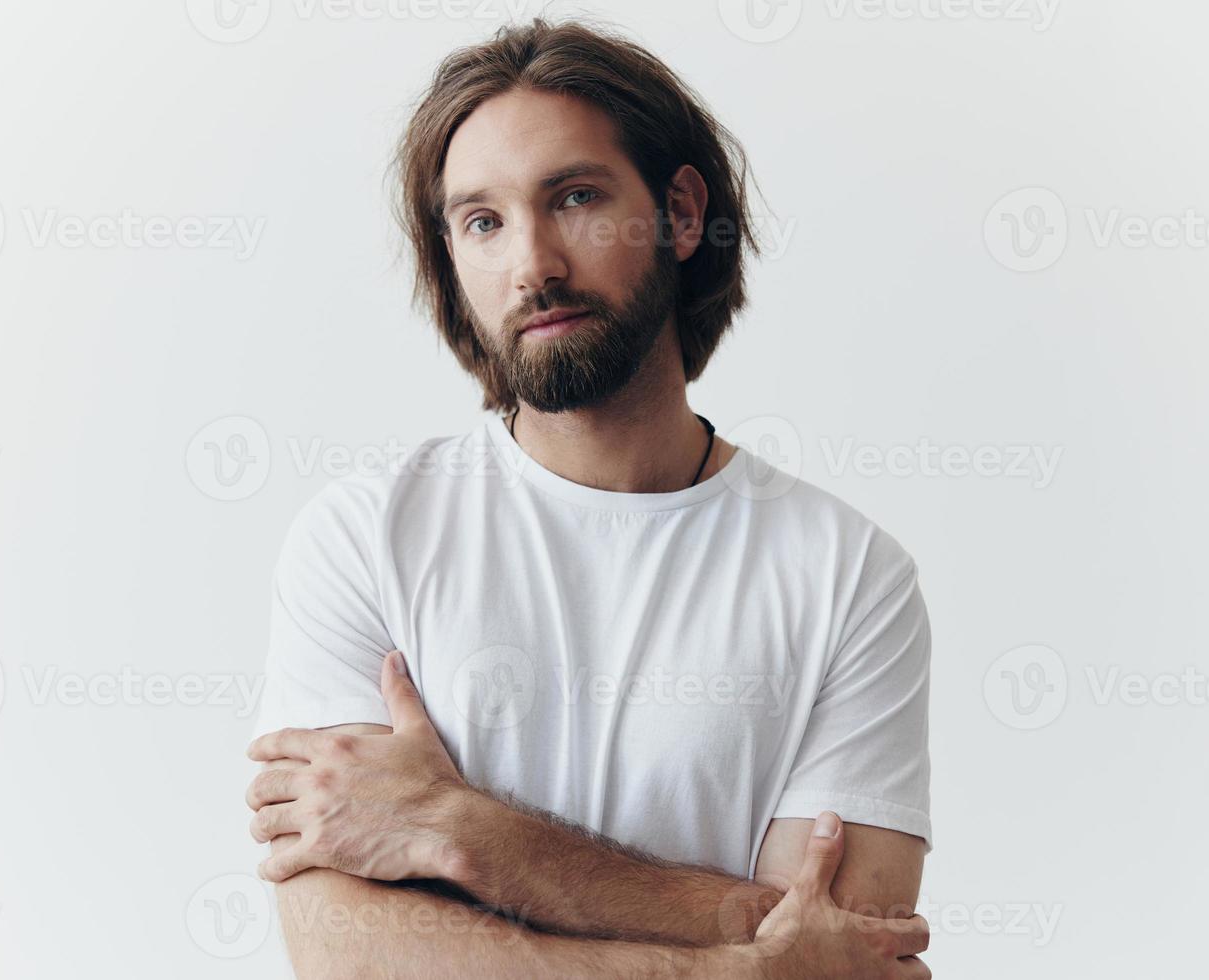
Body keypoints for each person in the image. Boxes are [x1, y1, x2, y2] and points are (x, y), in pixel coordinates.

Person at [244, 17, 932, 978]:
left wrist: (463, 832)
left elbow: (844, 955)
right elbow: (348, 955)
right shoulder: (365, 538)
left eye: (574, 199)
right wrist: (725, 964)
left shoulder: (849, 576)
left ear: (683, 215)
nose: (532, 265)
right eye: (481, 221)